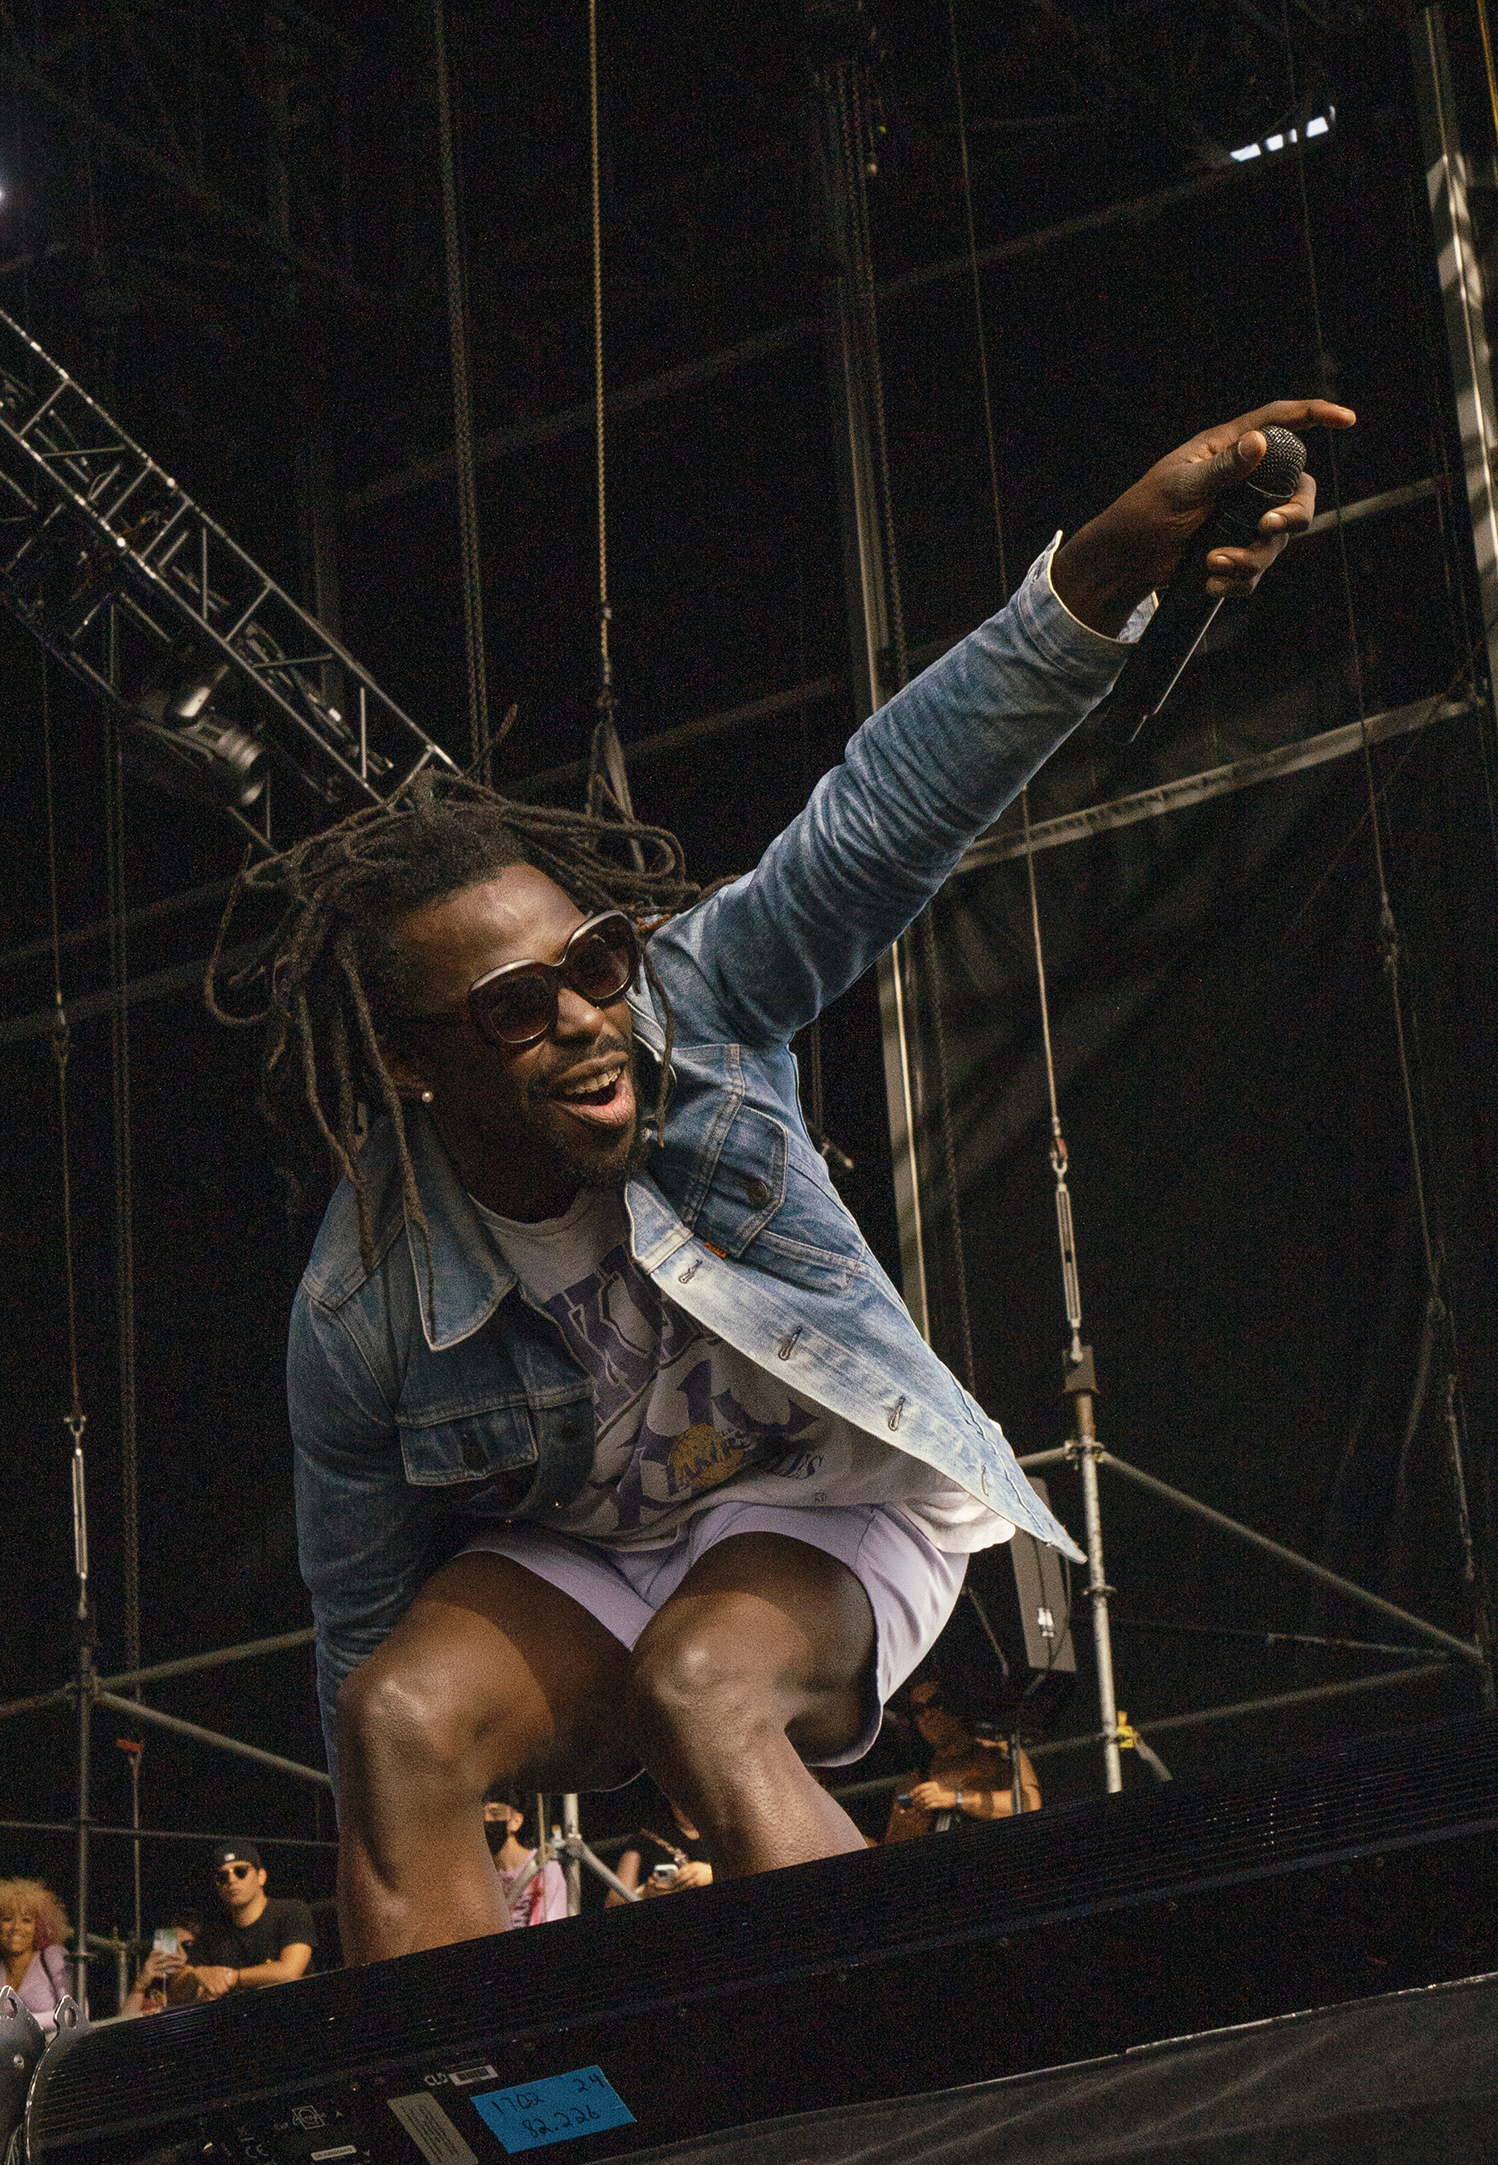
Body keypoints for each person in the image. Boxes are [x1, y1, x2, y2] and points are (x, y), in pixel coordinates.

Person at [223, 398, 1349, 1963]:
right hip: (592, 1553)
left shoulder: (698, 1006)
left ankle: (901, 2065)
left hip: (827, 1496)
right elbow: (359, 1622)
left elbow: (884, 812)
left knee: (705, 1683)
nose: (585, 1021)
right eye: (514, 1009)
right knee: (393, 1718)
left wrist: (1105, 567)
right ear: (414, 1065)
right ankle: (467, 2094)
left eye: (593, 964)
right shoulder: (361, 1299)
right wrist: (383, 1800)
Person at [884, 1676, 1040, 1841]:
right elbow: (891, 1842)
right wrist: (907, 1829)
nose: (927, 1715)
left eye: (935, 1704)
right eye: (918, 1710)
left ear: (955, 1706)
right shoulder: (915, 1778)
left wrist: (955, 1798)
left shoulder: (1001, 1751)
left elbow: (1031, 1805)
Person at [185, 1844, 314, 1998]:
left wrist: (233, 1977)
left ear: (261, 1876)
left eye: (240, 1871)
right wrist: (198, 1974)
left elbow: (290, 1971)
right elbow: (178, 1987)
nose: (231, 1880)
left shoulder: (291, 1911)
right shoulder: (214, 1930)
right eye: (222, 1876)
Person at [0, 1878, 73, 2034]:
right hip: (3, 2050)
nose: (16, 1927)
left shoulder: (52, 1956)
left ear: (39, 1927)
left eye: (26, 1920)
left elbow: (73, 2013)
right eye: (7, 1919)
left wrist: (16, 2025)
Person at [483, 1793, 569, 1927]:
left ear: (516, 1821)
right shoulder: (482, 1875)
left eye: (495, 1814)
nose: (486, 1820)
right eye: (481, 1816)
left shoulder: (544, 1866)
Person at [607, 1805, 714, 1904]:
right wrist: (645, 1894)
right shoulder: (649, 1835)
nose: (688, 1810)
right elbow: (614, 1902)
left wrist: (711, 1873)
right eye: (681, 1802)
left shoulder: (719, 1831)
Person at [118, 1911, 201, 2018]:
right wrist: (141, 1984)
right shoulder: (151, 1992)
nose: (178, 1952)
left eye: (187, 1946)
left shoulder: (201, 1982)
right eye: (171, 1944)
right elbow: (124, 2023)